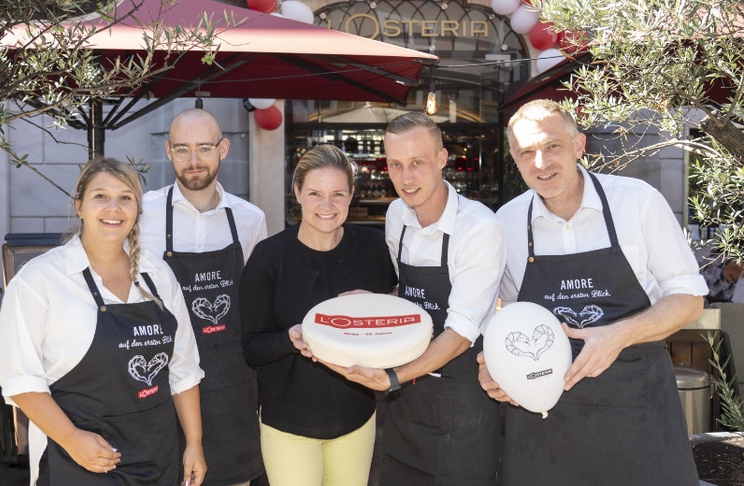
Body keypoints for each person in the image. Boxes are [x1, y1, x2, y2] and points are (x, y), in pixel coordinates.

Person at [477, 99, 709, 485]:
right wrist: (493, 368)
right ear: (515, 161)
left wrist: (617, 335)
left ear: (579, 146)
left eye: (552, 146)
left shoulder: (637, 202)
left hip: (638, 414)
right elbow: (498, 314)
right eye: (526, 153)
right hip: (545, 422)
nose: (541, 163)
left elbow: (689, 299)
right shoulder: (506, 224)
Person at [0, 157, 206, 485]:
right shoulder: (40, 279)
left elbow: (183, 369)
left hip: (157, 455)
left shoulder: (158, 275)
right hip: (79, 461)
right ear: (79, 206)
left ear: (137, 209)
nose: (114, 207)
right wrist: (71, 438)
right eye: (100, 196)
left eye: (125, 197)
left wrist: (194, 444)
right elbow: (21, 379)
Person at [324, 112, 507, 485]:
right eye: (395, 165)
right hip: (407, 404)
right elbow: (409, 296)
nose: (406, 179)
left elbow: (460, 333)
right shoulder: (396, 215)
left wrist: (391, 378)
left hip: (463, 401)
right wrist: (374, 303)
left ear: (442, 160)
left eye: (417, 163)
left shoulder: (479, 229)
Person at [239, 144, 397, 486]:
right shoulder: (269, 257)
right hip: (288, 424)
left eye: (338, 194)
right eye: (314, 193)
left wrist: (378, 305)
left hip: (356, 417)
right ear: (297, 193)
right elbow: (251, 347)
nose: (327, 206)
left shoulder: (373, 248)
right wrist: (290, 338)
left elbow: (396, 318)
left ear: (352, 194)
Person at [139, 108, 266, 486]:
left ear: (223, 149)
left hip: (229, 382)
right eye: (182, 149)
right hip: (159, 380)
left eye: (204, 148)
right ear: (168, 151)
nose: (193, 161)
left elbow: (255, 299)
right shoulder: (142, 213)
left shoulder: (250, 219)